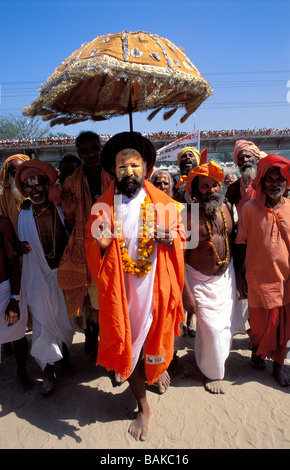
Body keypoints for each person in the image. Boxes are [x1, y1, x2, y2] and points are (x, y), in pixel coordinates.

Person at [85, 131, 185, 441]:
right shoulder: (102, 207)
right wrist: (100, 246)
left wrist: (170, 239)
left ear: (146, 168)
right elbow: (91, 246)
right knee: (127, 347)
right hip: (121, 291)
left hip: (153, 288)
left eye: (134, 165)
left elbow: (183, 238)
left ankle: (153, 372)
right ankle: (143, 406)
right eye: (122, 166)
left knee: (153, 342)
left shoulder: (163, 202)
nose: (129, 172)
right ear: (113, 172)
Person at [15, 160, 75, 394]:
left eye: (38, 184)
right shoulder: (24, 215)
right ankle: (47, 369)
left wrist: (68, 214)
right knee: (41, 326)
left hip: (61, 275)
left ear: (48, 184)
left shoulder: (60, 209)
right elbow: (18, 244)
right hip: (37, 278)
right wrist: (18, 247)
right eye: (28, 187)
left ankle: (67, 358)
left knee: (65, 322)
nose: (34, 191)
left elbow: (71, 235)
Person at [182, 161, 242, 394]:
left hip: (226, 278)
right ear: (195, 192)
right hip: (199, 280)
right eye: (204, 187)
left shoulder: (226, 207)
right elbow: (179, 258)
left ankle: (215, 366)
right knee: (209, 329)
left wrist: (240, 277)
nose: (210, 190)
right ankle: (211, 373)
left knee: (224, 327)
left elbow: (235, 242)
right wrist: (186, 292)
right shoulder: (188, 216)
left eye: (214, 185)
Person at [235, 154, 290, 386]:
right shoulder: (248, 209)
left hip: (286, 281)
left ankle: (278, 365)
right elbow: (240, 245)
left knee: (283, 328)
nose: (274, 184)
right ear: (261, 180)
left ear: (287, 183)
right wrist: (239, 277)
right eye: (270, 179)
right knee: (259, 327)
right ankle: (258, 350)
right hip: (256, 280)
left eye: (280, 179)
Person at [57, 131, 109, 356]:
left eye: (94, 148)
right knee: (89, 299)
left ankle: (110, 344)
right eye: (85, 150)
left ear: (101, 148)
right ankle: (91, 336)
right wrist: (69, 214)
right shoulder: (70, 183)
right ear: (80, 154)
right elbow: (69, 223)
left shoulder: (114, 176)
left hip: (113, 248)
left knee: (111, 298)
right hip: (85, 249)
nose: (91, 154)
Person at [0, 215, 32, 392]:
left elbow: (12, 261)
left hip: (4, 291)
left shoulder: (2, 223)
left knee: (18, 335)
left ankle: (22, 372)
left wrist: (14, 300)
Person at [226, 140, 262, 216]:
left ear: (257, 159)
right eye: (241, 158)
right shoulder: (233, 188)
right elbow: (228, 214)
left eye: (248, 156)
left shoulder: (265, 183)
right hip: (243, 227)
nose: (245, 160)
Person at [0, 154, 30, 234]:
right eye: (14, 172)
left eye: (22, 171)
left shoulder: (37, 189)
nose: (18, 176)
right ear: (9, 174)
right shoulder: (4, 196)